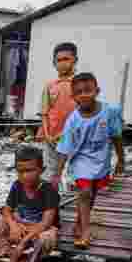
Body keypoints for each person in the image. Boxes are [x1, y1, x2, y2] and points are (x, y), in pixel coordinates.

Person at [52, 72, 125, 249]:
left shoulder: (109, 113)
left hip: (101, 160)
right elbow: (64, 147)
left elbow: (116, 136)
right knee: (85, 192)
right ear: (73, 96)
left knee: (91, 195)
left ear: (97, 91)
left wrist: (121, 160)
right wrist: (57, 173)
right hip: (80, 160)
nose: (84, 95)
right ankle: (85, 231)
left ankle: (79, 222)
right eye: (79, 92)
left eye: (88, 90)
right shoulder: (73, 120)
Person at [0, 145, 60, 262]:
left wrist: (23, 242)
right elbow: (7, 210)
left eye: (30, 171)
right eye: (21, 171)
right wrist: (13, 225)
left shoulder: (48, 190)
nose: (25, 176)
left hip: (41, 229)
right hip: (22, 225)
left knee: (45, 239)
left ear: (42, 170)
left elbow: (46, 223)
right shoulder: (17, 185)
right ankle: (7, 253)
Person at [38, 42, 79, 185]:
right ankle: (51, 201)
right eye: (59, 60)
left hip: (74, 135)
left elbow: (83, 112)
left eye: (66, 59)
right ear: (54, 63)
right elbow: (44, 112)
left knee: (73, 172)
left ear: (75, 60)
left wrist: (66, 132)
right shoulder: (50, 86)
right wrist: (47, 134)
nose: (62, 63)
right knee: (51, 172)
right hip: (51, 137)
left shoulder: (80, 85)